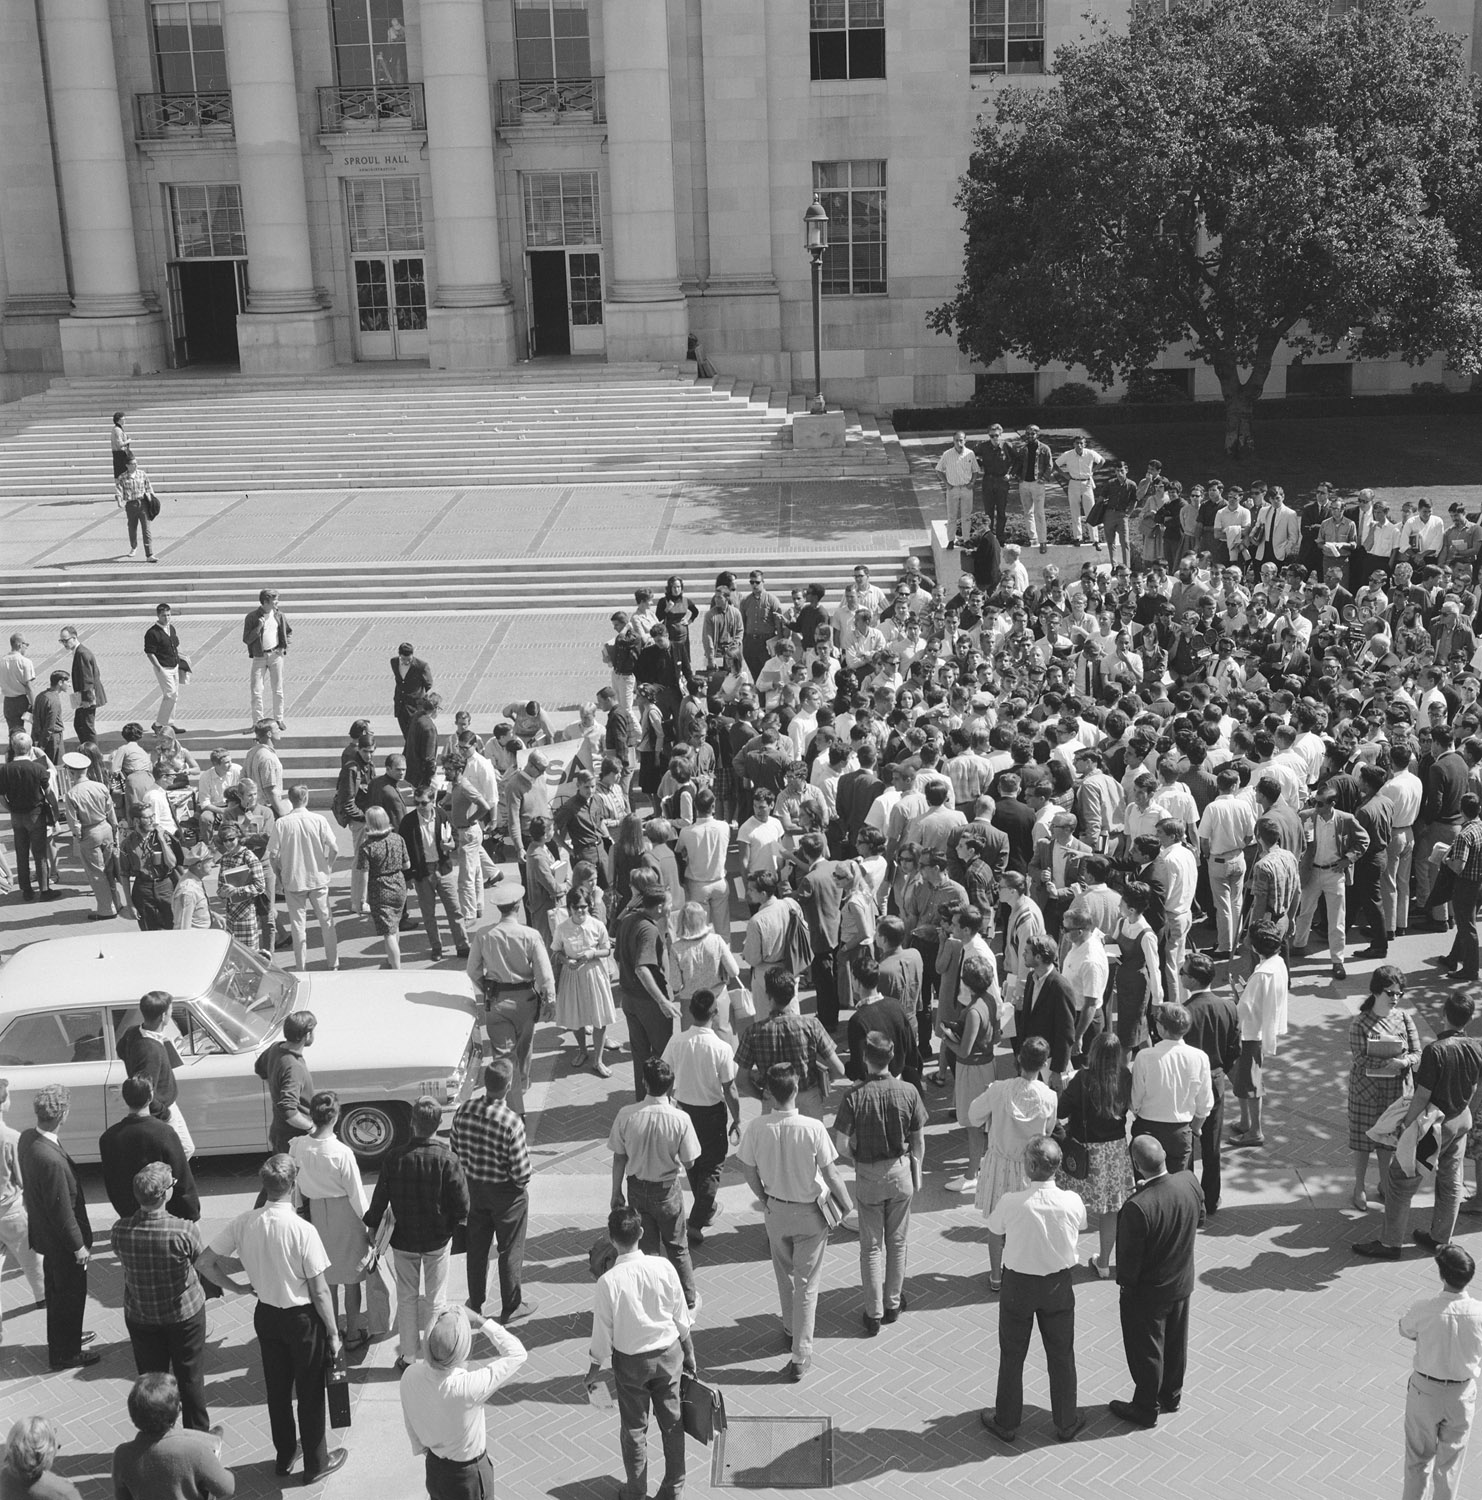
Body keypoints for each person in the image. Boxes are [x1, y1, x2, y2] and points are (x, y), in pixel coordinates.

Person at [196, 1154, 346, 1483]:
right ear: (294, 1187)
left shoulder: (243, 1222)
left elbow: (205, 1262)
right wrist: (333, 1333)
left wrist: (236, 1288)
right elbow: (320, 1292)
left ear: (264, 1187)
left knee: (277, 1391)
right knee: (309, 1392)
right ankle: (316, 1462)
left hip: (266, 1314)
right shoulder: (303, 1230)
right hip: (303, 1319)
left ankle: (284, 1454)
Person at [738, 1063, 854, 1380]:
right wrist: (845, 1203)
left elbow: (748, 1170)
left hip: (776, 1211)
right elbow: (831, 1173)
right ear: (796, 1088)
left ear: (769, 1093)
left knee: (784, 1273)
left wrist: (764, 1198)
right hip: (811, 1213)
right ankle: (801, 1354)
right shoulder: (813, 1128)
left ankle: (790, 1326)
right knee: (807, 1284)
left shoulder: (757, 1127)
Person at [979, 1136, 1088, 1444]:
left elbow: (995, 1230)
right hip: (1057, 1285)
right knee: (1062, 1354)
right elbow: (1080, 1225)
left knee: (1012, 1355)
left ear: (1029, 1166)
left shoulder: (1012, 1202)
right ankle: (1066, 1422)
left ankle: (1007, 1421)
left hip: (1018, 1286)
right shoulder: (1071, 1201)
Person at [1357, 993, 1482, 1261]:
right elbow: (1475, 1087)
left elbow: (1423, 1094)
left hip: (1434, 1125)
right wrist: (1466, 1113)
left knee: (1401, 1180)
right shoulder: (1476, 1047)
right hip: (1460, 1120)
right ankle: (1439, 1239)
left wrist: (1406, 1124)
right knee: (1450, 1180)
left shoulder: (1435, 1050)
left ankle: (1390, 1244)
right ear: (1469, 1019)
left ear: (1443, 1015)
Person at [586, 1206, 696, 1500]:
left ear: (612, 1239)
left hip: (630, 1363)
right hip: (669, 1355)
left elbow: (603, 1331)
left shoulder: (608, 1282)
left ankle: (635, 1492)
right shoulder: (663, 1267)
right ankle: (674, 1489)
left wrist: (595, 1366)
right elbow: (680, 1316)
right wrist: (689, 1351)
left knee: (634, 1430)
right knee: (673, 1424)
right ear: (642, 1233)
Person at [364, 1096, 469, 1371]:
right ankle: (435, 1356)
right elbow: (462, 1205)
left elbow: (380, 1198)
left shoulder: (394, 1157)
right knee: (436, 1300)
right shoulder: (448, 1158)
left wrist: (372, 1225)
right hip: (437, 1240)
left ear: (412, 1124)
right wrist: (451, 1227)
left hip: (404, 1241)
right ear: (438, 1123)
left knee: (407, 1298)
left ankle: (408, 1357)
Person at [832, 1031, 927, 1335]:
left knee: (871, 1248)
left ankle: (873, 1312)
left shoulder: (854, 1096)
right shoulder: (909, 1091)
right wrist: (917, 1168)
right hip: (900, 1171)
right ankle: (893, 1303)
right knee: (897, 1243)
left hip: (869, 1173)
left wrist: (857, 1157)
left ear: (865, 1058)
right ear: (892, 1057)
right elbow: (919, 1140)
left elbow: (841, 1144)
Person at [1108, 1134, 1205, 1428]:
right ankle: (1171, 1396)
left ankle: (1145, 1406)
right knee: (1176, 1344)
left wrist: (1126, 1287)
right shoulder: (1188, 1181)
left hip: (1148, 1293)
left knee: (1147, 1350)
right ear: (1163, 1153)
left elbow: (1128, 1264)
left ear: (1136, 1165)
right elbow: (1199, 1219)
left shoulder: (1137, 1208)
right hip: (1181, 1283)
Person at [110, 1164, 215, 1436]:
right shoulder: (184, 1230)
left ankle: (156, 1435)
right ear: (165, 1195)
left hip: (141, 1315)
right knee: (190, 1379)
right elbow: (201, 1263)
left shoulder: (120, 1230)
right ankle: (199, 1439)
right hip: (184, 1315)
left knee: (151, 1383)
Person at [399, 1303, 527, 1500]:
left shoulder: (410, 1374)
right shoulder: (468, 1387)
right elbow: (517, 1353)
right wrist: (480, 1320)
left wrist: (425, 1450)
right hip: (468, 1476)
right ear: (462, 1349)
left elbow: (410, 1422)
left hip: (435, 1468)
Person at [607, 1057, 701, 1310]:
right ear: (670, 1087)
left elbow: (619, 1156)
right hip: (667, 1190)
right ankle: (688, 1299)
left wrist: (616, 1192)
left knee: (647, 1252)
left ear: (644, 1082)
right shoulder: (680, 1118)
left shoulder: (626, 1115)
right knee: (678, 1247)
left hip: (636, 1189)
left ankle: (652, 1300)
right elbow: (691, 1162)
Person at [450, 1060, 536, 1327]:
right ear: (508, 1086)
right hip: (506, 1196)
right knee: (510, 1249)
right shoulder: (511, 1122)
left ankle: (475, 1303)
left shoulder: (464, 1110)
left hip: (473, 1190)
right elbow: (522, 1173)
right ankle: (511, 1306)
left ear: (484, 1083)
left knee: (476, 1247)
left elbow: (454, 1149)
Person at [969, 1035, 1059, 1289]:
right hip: (1031, 1168)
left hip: (999, 1164)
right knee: (1026, 1223)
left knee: (997, 1225)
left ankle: (996, 1276)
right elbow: (1049, 1131)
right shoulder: (1049, 1096)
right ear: (1043, 1064)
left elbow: (973, 1115)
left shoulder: (998, 1089)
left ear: (1018, 1059)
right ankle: (1022, 1272)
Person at [18, 1085, 96, 1370]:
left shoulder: (29, 1139)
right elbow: (62, 1211)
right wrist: (78, 1247)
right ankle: (67, 1354)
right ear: (62, 1114)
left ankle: (67, 1340)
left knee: (57, 1294)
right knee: (70, 1298)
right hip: (63, 1243)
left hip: (46, 1238)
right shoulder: (50, 1160)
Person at [1397, 1244, 1482, 1500]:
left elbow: (1405, 1329)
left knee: (1417, 1459)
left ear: (1442, 1276)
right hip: (1461, 1394)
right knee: (1450, 1465)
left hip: (1425, 1391)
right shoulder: (1479, 1312)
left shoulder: (1424, 1308)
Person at [289, 1093, 372, 1351]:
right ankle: (355, 1333)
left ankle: (331, 1331)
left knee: (327, 1280)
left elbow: (295, 1187)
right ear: (335, 1117)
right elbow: (357, 1194)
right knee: (351, 1278)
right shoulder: (341, 1152)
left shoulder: (298, 1146)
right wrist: (370, 1225)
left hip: (314, 1213)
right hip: (344, 1215)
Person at [465, 882, 556, 1115]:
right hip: (526, 1000)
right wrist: (550, 1000)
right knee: (524, 1047)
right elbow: (544, 974)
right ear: (518, 906)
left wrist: (485, 987)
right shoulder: (531, 935)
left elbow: (472, 970)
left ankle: (511, 1101)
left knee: (503, 1055)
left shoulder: (484, 935)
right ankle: (521, 1090)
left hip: (496, 1001)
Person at [662, 988, 741, 1248]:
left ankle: (704, 1209)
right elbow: (729, 1087)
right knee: (713, 1167)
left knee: (693, 1164)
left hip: (684, 1111)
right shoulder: (722, 1047)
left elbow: (665, 1074)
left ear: (690, 1012)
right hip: (712, 1114)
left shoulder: (677, 1041)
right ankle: (694, 1223)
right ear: (715, 1013)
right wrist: (737, 1119)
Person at [1056, 1032, 1135, 1277]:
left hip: (1084, 1151)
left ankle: (1065, 1257)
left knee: (1069, 1204)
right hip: (1114, 1151)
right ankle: (1104, 1263)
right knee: (1110, 1209)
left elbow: (1060, 1110)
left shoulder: (1083, 1078)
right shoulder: (1125, 1076)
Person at [1347, 966, 1423, 1213]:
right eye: (1390, 993)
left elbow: (1417, 1053)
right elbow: (1359, 1057)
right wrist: (1387, 1063)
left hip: (1395, 1092)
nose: (1395, 998)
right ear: (1377, 991)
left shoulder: (1404, 1018)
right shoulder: (1360, 1023)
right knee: (1362, 1140)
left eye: (1399, 994)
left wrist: (1403, 1062)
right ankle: (1358, 1187)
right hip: (1365, 1092)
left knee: (1388, 1141)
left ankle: (1384, 1184)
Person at [735, 968, 845, 1121]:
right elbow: (839, 1069)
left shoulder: (753, 1032)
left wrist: (762, 1095)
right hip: (808, 1098)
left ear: (768, 996)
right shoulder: (812, 1025)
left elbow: (741, 1081)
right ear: (793, 994)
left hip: (773, 1100)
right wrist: (821, 1086)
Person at [1181, 953, 1241, 1216]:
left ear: (1193, 980)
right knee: (1211, 1146)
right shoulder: (1227, 1007)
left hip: (1188, 1084)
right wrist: (1219, 1071)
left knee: (1186, 1143)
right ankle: (1212, 1197)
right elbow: (1234, 1049)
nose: (1181, 976)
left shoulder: (1185, 1012)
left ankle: (1190, 1197)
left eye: (1183, 973)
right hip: (1215, 1080)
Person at [110, 1373, 234, 1500]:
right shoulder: (197, 1450)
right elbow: (227, 1488)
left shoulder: (122, 1455)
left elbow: (122, 1496)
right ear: (178, 1409)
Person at [99, 1074, 199, 1222]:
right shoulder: (164, 1133)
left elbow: (111, 1183)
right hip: (162, 1213)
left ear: (125, 1098)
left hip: (129, 1215)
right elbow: (183, 1179)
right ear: (151, 1096)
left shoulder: (108, 1137)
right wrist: (192, 1215)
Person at [937, 957, 999, 1195]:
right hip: (987, 1064)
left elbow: (963, 1050)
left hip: (972, 1069)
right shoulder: (990, 1000)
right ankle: (980, 1164)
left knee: (973, 1122)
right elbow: (996, 1037)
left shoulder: (973, 1011)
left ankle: (972, 1173)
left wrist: (946, 1039)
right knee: (983, 1121)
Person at [1129, 1002, 1212, 1176]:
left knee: (1145, 1183)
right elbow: (1204, 1103)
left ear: (1163, 1028)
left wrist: (1139, 1113)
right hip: (1180, 1132)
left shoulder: (1145, 1056)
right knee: (1178, 1185)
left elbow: (1135, 1099)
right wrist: (1195, 1128)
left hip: (1147, 1129)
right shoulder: (1199, 1057)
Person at [266, 785, 340, 971]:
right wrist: (328, 866)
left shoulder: (282, 823)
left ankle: (301, 967)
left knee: (298, 926)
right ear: (306, 799)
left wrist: (279, 873)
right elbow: (335, 848)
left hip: (293, 879)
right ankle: (333, 962)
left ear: (290, 800)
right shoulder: (319, 819)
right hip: (318, 878)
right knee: (327, 922)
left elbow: (272, 854)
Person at [1231, 921, 1289, 1148]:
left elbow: (1242, 1010)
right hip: (1259, 1030)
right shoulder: (1277, 963)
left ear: (1255, 947)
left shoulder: (1262, 974)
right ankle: (1246, 1121)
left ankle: (1255, 1130)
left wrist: (1236, 1000)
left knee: (1251, 1084)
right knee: (1244, 1079)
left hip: (1250, 1034)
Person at [118, 990, 195, 1159]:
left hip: (164, 1103)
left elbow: (121, 1050)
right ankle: (163, 1183)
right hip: (163, 1107)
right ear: (163, 1016)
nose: (171, 1014)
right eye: (170, 1011)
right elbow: (144, 1090)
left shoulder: (133, 1032)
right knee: (182, 1151)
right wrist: (164, 1114)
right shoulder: (150, 1051)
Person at [552, 886, 618, 1076]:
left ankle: (598, 1060)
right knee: (576, 1017)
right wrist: (566, 960)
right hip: (572, 976)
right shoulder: (562, 928)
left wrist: (592, 953)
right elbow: (556, 951)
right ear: (570, 907)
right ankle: (582, 1050)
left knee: (599, 1017)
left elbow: (607, 949)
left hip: (594, 973)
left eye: (584, 907)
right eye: (576, 907)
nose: (581, 911)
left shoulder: (596, 925)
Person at [400, 784, 470, 962]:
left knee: (454, 910)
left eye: (423, 803)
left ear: (433, 802)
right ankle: (436, 947)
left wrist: (452, 845)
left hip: (443, 868)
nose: (420, 807)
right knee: (428, 914)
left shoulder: (441, 815)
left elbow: (454, 836)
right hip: (422, 873)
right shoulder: (408, 822)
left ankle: (462, 946)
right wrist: (408, 877)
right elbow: (403, 850)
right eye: (416, 803)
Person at [0, 1081, 46, 1336]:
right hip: (10, 1211)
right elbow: (21, 1176)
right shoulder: (10, 1137)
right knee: (32, 1260)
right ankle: (43, 1298)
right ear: (3, 1103)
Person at [60, 749, 124, 918]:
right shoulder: (100, 787)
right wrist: (114, 830)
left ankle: (106, 909)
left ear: (71, 772)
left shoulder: (72, 794)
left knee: (97, 873)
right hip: (106, 828)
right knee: (110, 869)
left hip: (90, 832)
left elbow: (73, 823)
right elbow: (111, 812)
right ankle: (116, 902)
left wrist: (78, 837)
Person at [0, 735, 58, 901]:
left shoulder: (5, 769)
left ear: (13, 747)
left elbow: (2, 796)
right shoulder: (37, 768)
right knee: (39, 853)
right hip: (35, 814)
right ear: (31, 747)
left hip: (17, 816)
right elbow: (48, 793)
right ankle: (44, 890)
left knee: (21, 853)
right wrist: (54, 808)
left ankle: (26, 890)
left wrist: (10, 808)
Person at [357, 805, 411, 969]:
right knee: (394, 925)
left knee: (388, 932)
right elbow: (407, 864)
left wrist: (361, 899)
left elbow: (364, 875)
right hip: (399, 885)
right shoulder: (397, 838)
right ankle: (391, 960)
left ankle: (396, 968)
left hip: (380, 889)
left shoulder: (367, 847)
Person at [257, 1009, 316, 1155]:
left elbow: (260, 1068)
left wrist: (275, 1088)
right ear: (307, 1035)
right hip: (294, 1140)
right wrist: (311, 1128)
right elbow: (289, 1111)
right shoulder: (294, 1068)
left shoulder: (275, 1048)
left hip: (279, 1132)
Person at [243, 588, 292, 732]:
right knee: (257, 690)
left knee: (278, 689)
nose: (277, 603)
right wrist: (259, 626)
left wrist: (284, 648)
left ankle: (279, 719)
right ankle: (257, 722)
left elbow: (288, 632)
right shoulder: (252, 617)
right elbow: (246, 639)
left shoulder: (279, 615)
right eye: (274, 600)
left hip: (275, 655)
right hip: (259, 656)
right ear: (266, 602)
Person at [1, 1417, 80, 1500]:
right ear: (44, 1455)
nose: (59, 1444)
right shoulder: (64, 1493)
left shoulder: (5, 1475)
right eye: (53, 1443)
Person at [935, 430, 982, 544]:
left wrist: (972, 482)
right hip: (953, 489)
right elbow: (939, 470)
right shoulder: (947, 454)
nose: (958, 443)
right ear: (953, 441)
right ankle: (951, 540)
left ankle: (966, 539)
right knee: (952, 516)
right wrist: (946, 484)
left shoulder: (970, 454)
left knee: (966, 516)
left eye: (961, 440)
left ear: (965, 440)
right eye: (956, 440)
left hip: (966, 489)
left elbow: (975, 470)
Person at [143, 603, 184, 734]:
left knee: (174, 695)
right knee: (170, 694)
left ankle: (169, 724)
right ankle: (159, 724)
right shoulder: (152, 633)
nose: (167, 618)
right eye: (164, 615)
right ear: (158, 616)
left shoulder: (171, 628)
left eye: (168, 615)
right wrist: (158, 666)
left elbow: (175, 645)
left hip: (174, 665)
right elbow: (150, 652)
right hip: (163, 667)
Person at [118, 456, 159, 563]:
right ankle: (134, 546)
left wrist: (153, 500)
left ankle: (149, 554)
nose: (135, 465)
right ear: (127, 465)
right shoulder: (122, 477)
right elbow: (118, 490)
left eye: (136, 463)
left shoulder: (142, 474)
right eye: (133, 464)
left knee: (146, 529)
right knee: (132, 527)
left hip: (143, 504)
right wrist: (119, 501)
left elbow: (148, 487)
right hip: (131, 505)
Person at [0, 635, 35, 738]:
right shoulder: (25, 662)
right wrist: (34, 704)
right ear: (20, 645)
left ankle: (13, 751)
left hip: (8, 701)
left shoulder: (2, 661)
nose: (27, 647)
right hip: (22, 700)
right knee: (34, 728)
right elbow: (28, 686)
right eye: (26, 645)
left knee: (13, 732)